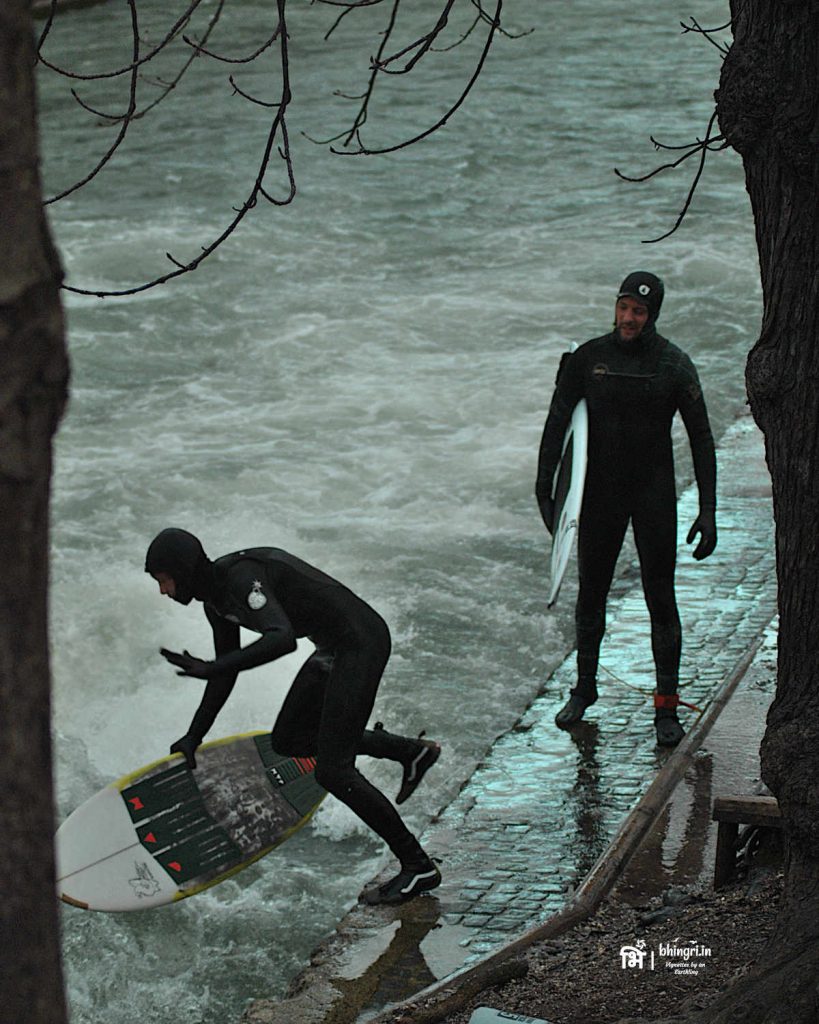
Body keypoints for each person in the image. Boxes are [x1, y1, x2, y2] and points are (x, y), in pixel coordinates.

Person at [144, 527, 442, 905]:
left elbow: (281, 637)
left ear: (183, 570)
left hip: (359, 643)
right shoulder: (215, 603)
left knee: (334, 771)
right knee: (288, 740)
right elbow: (225, 673)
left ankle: (418, 865)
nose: (163, 591)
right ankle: (407, 751)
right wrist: (194, 736)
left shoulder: (240, 577)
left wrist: (211, 667)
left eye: (164, 579)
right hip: (332, 648)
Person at [535, 271, 717, 747]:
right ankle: (584, 690)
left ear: (652, 314)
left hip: (653, 493)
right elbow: (557, 423)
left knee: (661, 598)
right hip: (600, 496)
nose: (628, 318)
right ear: (614, 307)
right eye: (623, 308)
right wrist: (545, 489)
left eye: (638, 311)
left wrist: (708, 510)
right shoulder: (588, 359)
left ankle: (666, 708)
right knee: (590, 596)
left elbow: (701, 437)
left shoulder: (673, 365)